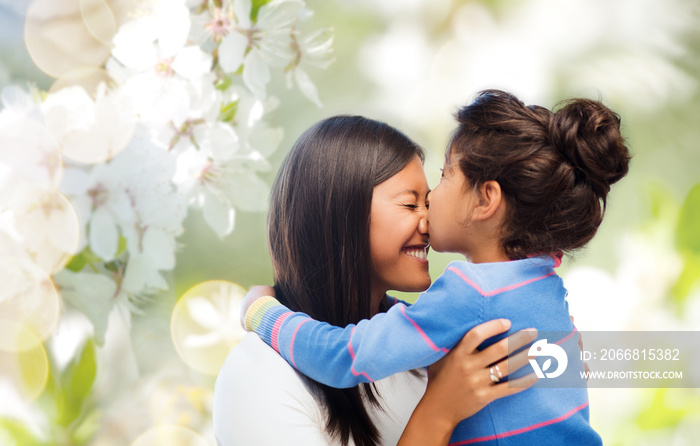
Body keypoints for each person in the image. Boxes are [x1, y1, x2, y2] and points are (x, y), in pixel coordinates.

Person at [243, 90, 631, 445]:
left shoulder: (470, 290)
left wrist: (263, 313)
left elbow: (344, 357)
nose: (428, 208)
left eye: (445, 176)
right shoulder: (544, 282)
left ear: (486, 200)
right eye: (411, 203)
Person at [212, 114, 538, 446]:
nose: (429, 222)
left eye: (428, 202)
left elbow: (564, 371)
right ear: (341, 215)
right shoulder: (257, 374)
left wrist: (567, 355)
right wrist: (440, 411)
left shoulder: (424, 346)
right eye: (411, 204)